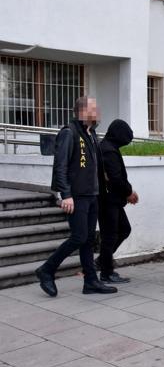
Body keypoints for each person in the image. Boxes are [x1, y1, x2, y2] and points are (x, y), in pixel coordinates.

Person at [35, 96, 117, 296]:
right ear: (82, 112)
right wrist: (66, 194)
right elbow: (60, 165)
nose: (98, 111)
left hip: (92, 195)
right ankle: (46, 269)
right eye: (93, 108)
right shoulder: (69, 133)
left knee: (88, 240)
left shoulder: (91, 133)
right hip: (77, 196)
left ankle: (91, 282)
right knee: (79, 237)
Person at [96, 119, 138, 284]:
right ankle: (106, 273)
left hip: (111, 199)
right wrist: (129, 192)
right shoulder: (108, 150)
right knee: (110, 236)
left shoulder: (109, 147)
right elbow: (115, 178)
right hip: (108, 200)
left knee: (123, 229)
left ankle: (103, 261)